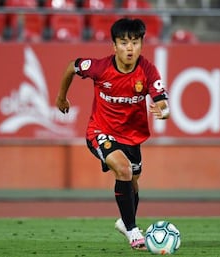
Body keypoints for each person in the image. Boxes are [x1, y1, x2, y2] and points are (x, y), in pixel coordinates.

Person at [55, 17, 170, 250]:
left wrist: (164, 112)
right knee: (124, 169)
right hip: (100, 131)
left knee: (133, 181)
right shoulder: (100, 68)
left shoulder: (147, 70)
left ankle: (125, 222)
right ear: (114, 46)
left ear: (141, 45)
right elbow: (72, 66)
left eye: (135, 42)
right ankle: (133, 230)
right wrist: (61, 97)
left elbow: (162, 100)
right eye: (124, 43)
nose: (130, 48)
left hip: (132, 137)